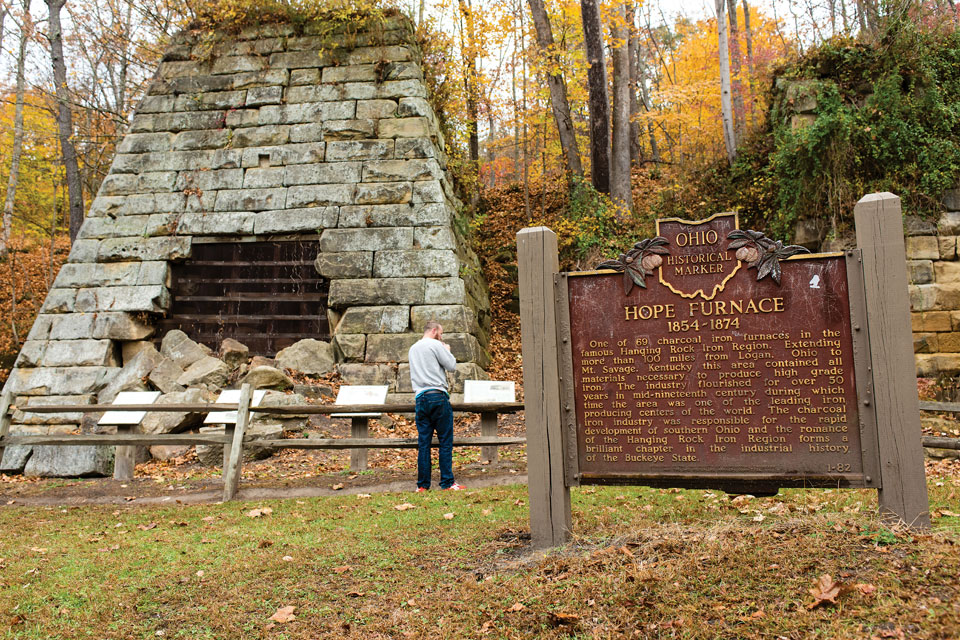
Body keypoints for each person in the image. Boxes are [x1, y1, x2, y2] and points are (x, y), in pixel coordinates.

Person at [408, 321, 463, 491]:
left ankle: (423, 485)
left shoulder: (413, 348)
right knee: (445, 441)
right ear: (434, 331)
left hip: (420, 398)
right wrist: (447, 351)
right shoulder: (435, 344)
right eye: (441, 332)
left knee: (424, 443)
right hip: (438, 396)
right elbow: (451, 366)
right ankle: (447, 482)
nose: (442, 336)